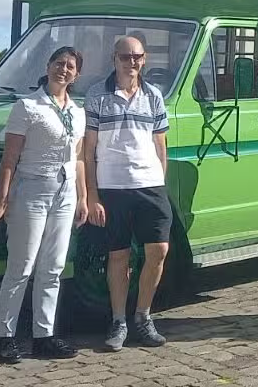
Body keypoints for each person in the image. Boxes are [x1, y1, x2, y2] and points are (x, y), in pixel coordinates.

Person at [0, 47, 88, 364]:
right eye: (59, 64)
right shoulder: (28, 106)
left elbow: (80, 158)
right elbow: (10, 158)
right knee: (22, 265)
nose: (64, 70)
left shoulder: (77, 110)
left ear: (77, 74)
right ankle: (5, 337)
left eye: (70, 66)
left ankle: (43, 335)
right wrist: (1, 199)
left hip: (65, 190)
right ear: (47, 67)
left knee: (53, 267)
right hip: (32, 188)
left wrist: (83, 197)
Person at [85, 36, 172, 351]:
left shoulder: (153, 96)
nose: (131, 62)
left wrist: (159, 179)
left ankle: (143, 316)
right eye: (125, 56)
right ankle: (118, 320)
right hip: (112, 185)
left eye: (136, 57)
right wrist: (92, 195)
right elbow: (88, 149)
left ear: (144, 59)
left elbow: (160, 143)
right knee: (119, 255)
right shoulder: (97, 95)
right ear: (115, 59)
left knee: (159, 250)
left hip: (149, 184)